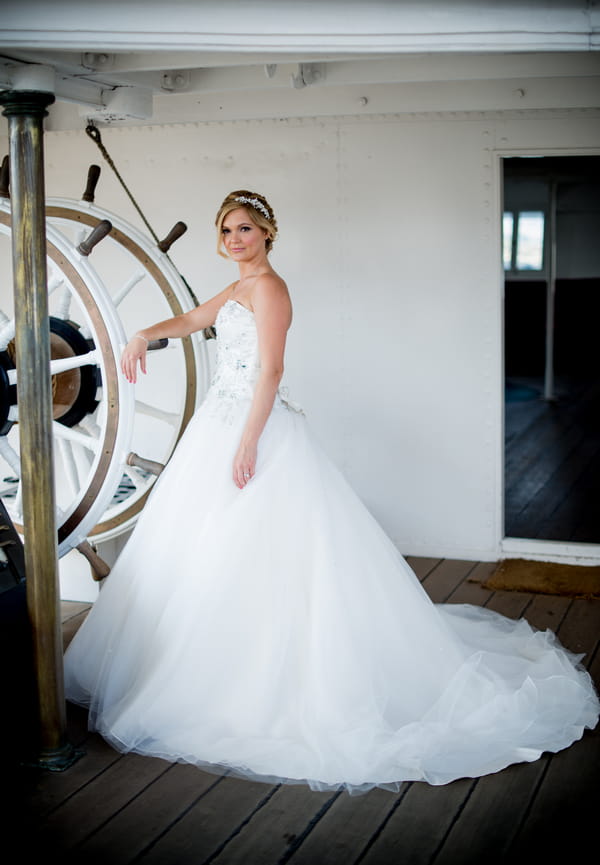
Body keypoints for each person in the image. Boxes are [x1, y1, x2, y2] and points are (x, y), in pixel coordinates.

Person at [64, 190, 599, 794]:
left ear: (267, 234)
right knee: (203, 546)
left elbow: (270, 370)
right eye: (226, 230)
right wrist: (141, 332)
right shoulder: (238, 288)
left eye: (244, 229)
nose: (234, 239)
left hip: (250, 425)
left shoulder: (269, 288)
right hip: (217, 424)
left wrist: (248, 441)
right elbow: (192, 321)